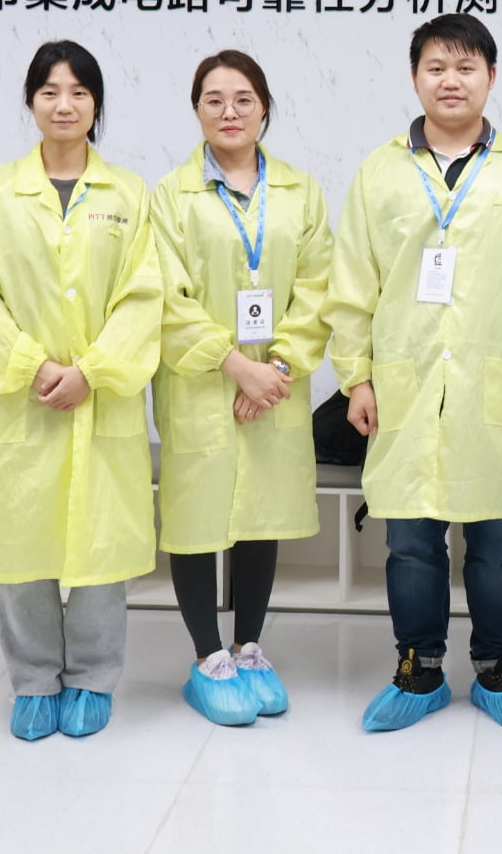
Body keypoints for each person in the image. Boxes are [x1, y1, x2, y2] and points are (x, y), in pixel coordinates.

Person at [322, 13, 502, 734]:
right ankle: (418, 668)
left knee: (496, 539)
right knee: (409, 538)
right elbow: (351, 282)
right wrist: (356, 377)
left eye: (465, 67)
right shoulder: (380, 171)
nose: (450, 80)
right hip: (405, 383)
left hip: (494, 383)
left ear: (491, 76)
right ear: (414, 78)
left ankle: (498, 667)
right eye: (436, 67)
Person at [0, 40, 163, 742]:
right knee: (24, 544)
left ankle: (95, 675)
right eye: (49, 91)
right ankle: (34, 678)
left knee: (101, 546)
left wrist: (91, 371)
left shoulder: (129, 194)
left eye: (78, 91)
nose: (64, 104)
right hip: (25, 402)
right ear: (31, 102)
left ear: (96, 103)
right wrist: (32, 366)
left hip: (102, 399)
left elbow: (144, 296)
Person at [149, 50, 334, 726]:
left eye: (243, 99)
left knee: (263, 513)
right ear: (196, 110)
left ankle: (249, 648)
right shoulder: (170, 196)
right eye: (214, 100)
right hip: (202, 385)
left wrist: (275, 371)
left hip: (275, 386)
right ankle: (208, 658)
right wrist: (236, 366)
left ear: (264, 108)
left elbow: (319, 286)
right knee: (197, 518)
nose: (229, 112)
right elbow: (165, 297)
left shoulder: (300, 192)